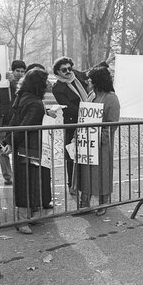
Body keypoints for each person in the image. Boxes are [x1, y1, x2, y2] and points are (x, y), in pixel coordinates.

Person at [0, 68, 52, 234]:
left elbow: (14, 121)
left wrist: (8, 141)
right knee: (28, 181)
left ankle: (28, 216)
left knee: (27, 180)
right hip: (30, 147)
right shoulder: (35, 102)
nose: (47, 84)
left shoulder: (23, 97)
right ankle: (23, 219)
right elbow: (24, 126)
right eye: (45, 81)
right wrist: (11, 142)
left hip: (24, 147)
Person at [72, 66, 120, 216]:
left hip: (102, 143)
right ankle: (85, 201)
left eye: (91, 79)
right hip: (88, 141)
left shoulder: (111, 98)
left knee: (102, 172)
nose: (88, 81)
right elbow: (84, 117)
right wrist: (78, 134)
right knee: (86, 172)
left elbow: (112, 124)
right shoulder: (92, 95)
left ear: (98, 81)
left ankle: (103, 202)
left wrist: (100, 136)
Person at [52, 57, 90, 188]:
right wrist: (85, 111)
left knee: (88, 149)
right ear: (57, 72)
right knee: (71, 151)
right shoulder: (58, 88)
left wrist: (107, 62)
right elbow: (67, 105)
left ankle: (85, 179)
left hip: (88, 118)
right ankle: (71, 181)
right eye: (64, 70)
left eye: (70, 68)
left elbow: (89, 72)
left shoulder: (77, 75)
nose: (68, 71)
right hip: (72, 121)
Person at [0, 60, 26, 185]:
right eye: (17, 71)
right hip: (4, 121)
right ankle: (8, 175)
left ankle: (19, 174)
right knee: (4, 149)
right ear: (12, 70)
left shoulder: (25, 85)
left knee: (19, 148)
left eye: (22, 71)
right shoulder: (2, 84)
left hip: (19, 122)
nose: (20, 73)